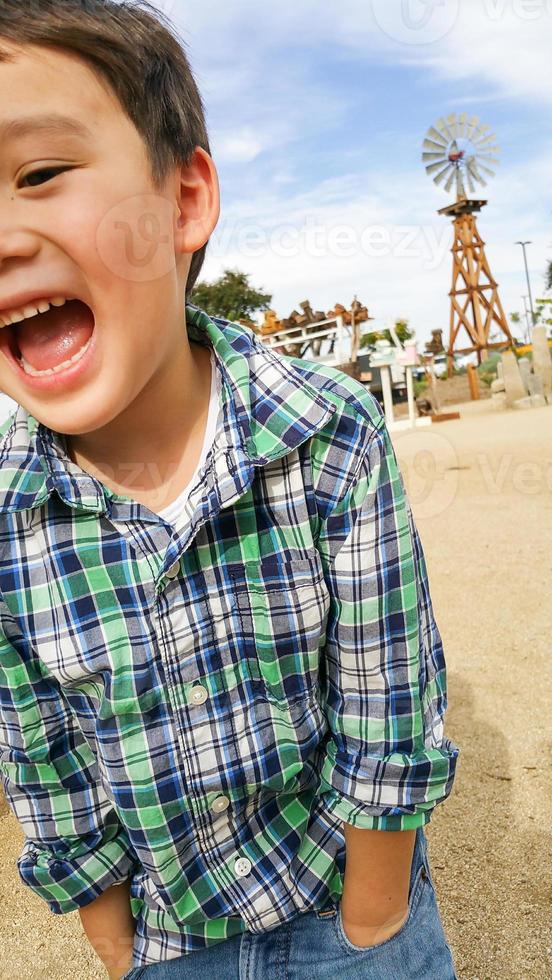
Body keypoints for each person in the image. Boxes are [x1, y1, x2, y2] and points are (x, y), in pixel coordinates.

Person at [0, 2, 460, 978]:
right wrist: (115, 940)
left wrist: (373, 913)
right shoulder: (7, 512)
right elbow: (41, 752)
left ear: (184, 199)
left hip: (345, 909)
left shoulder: (327, 432)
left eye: (38, 173)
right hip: (169, 942)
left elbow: (388, 695)